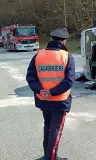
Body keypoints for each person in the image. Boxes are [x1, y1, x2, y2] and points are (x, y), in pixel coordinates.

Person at [26, 27, 75, 160]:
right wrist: (52, 92)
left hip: (43, 99)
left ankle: (48, 155)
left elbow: (30, 77)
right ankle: (51, 158)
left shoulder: (39, 54)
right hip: (60, 100)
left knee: (48, 126)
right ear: (64, 41)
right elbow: (69, 81)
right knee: (56, 130)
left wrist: (41, 90)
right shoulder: (66, 56)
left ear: (52, 39)